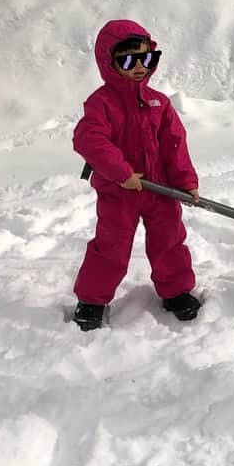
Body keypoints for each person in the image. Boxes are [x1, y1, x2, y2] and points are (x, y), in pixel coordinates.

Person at [71, 19, 202, 330]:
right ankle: (92, 299)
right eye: (129, 60)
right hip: (119, 192)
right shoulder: (101, 103)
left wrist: (186, 182)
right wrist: (122, 172)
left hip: (161, 191)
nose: (140, 66)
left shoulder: (160, 102)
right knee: (111, 246)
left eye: (147, 58)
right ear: (109, 62)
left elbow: (175, 145)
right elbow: (88, 139)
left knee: (170, 241)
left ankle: (176, 292)